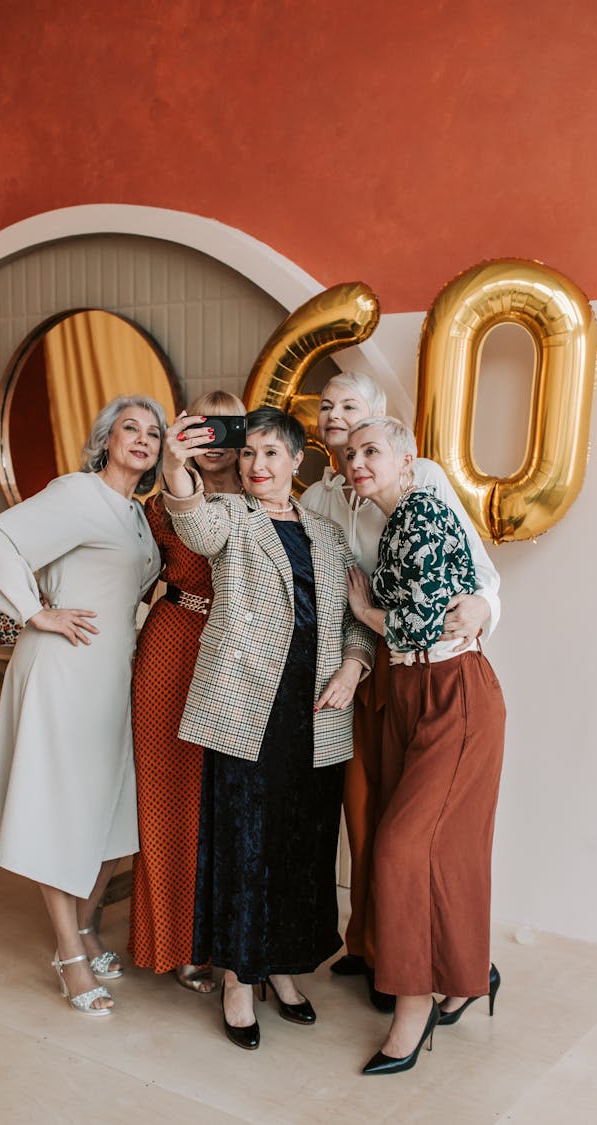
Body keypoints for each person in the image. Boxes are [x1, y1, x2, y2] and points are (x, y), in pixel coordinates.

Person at [160, 405, 375, 1050]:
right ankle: (237, 979)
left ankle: (282, 968)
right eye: (248, 454)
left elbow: (356, 618)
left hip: (317, 717)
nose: (257, 465)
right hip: (245, 711)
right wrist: (176, 463)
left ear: (297, 461)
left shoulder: (329, 534)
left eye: (271, 454)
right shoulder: (232, 516)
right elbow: (191, 520)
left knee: (301, 846)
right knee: (243, 847)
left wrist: (354, 667)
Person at [300, 371, 500, 1006]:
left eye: (351, 408)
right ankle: (371, 945)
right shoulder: (320, 497)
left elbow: (477, 571)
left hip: (425, 663)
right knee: (366, 814)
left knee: (410, 829)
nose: (336, 416)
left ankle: (412, 964)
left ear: (381, 425)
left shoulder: (423, 484)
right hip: (359, 670)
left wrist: (482, 610)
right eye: (327, 407)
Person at [0, 395, 166, 1016]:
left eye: (153, 432)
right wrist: (35, 612)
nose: (141, 438)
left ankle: (84, 926)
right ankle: (69, 952)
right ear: (107, 438)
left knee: (114, 814)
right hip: (63, 667)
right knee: (62, 809)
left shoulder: (137, 515)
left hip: (112, 675)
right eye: (129, 428)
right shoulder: (77, 493)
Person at [344, 416, 505, 1075]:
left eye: (371, 449)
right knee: (446, 850)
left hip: (452, 693)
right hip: (411, 690)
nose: (358, 460)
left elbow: (426, 617)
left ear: (406, 458)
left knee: (403, 846)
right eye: (349, 452)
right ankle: (468, 978)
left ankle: (413, 1010)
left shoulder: (425, 510)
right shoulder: (392, 523)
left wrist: (367, 615)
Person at [129, 390, 246, 994]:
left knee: (226, 805)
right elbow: (127, 573)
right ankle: (175, 942)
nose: (216, 440)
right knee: (170, 794)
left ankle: (229, 939)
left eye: (229, 426)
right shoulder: (158, 505)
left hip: (240, 660)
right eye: (204, 427)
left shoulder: (266, 498)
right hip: (173, 645)